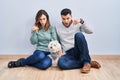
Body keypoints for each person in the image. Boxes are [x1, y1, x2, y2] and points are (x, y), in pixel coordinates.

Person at [56, 8, 101, 73]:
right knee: (61, 64)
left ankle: (86, 62)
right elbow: (57, 41)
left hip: (78, 50)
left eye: (68, 18)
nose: (66, 21)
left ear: (71, 16)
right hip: (68, 53)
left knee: (79, 35)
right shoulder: (57, 27)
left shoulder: (77, 23)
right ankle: (87, 63)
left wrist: (82, 21)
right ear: (61, 18)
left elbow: (91, 31)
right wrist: (59, 50)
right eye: (63, 19)